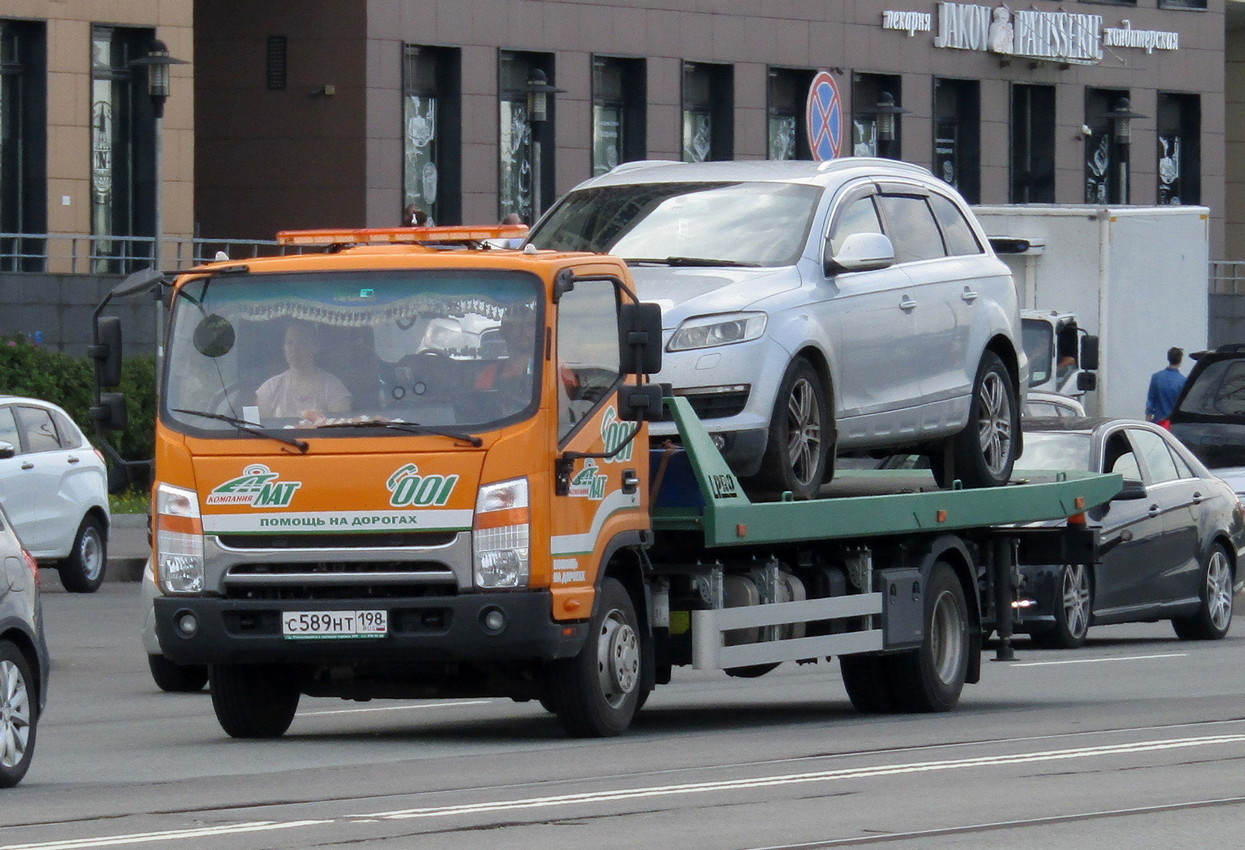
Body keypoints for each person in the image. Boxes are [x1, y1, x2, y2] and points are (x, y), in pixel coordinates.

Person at [256, 322, 352, 420]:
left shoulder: (334, 389)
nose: (294, 349)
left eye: (302, 343)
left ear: (315, 347)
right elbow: (261, 429)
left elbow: (339, 427)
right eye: (290, 343)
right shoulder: (268, 390)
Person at [1146, 346, 1186, 423]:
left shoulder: (1156, 377)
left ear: (1168, 358)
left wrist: (1148, 420)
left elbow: (1150, 400)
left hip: (1159, 422)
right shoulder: (1183, 381)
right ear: (1180, 361)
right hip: (1174, 423)